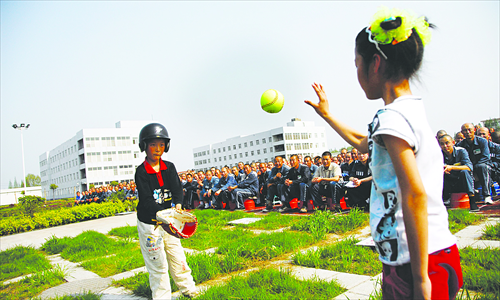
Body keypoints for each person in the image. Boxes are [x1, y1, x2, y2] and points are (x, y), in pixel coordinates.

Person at [305, 8, 462, 299]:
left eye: (357, 64)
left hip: (415, 261)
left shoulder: (392, 119)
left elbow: (413, 194)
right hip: (431, 252)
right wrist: (328, 116)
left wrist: (420, 279)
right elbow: (364, 143)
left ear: (375, 64)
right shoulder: (405, 111)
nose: (357, 72)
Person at [134, 123, 197, 299]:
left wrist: (177, 205)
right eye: (153, 144)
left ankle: (188, 288)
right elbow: (146, 200)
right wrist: (162, 215)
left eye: (161, 144)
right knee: (157, 262)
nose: (157, 149)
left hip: (170, 220)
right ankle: (162, 296)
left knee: (177, 255)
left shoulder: (169, 167)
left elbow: (177, 189)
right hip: (151, 223)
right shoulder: (141, 172)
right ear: (144, 146)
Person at [457, 123, 494, 205]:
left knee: (482, 167)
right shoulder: (460, 145)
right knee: (463, 171)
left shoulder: (482, 141)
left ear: (474, 130)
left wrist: (473, 169)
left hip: (483, 165)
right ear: (462, 132)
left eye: (469, 129)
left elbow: (485, 157)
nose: (468, 132)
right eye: (465, 130)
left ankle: (487, 195)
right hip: (469, 167)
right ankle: (470, 196)